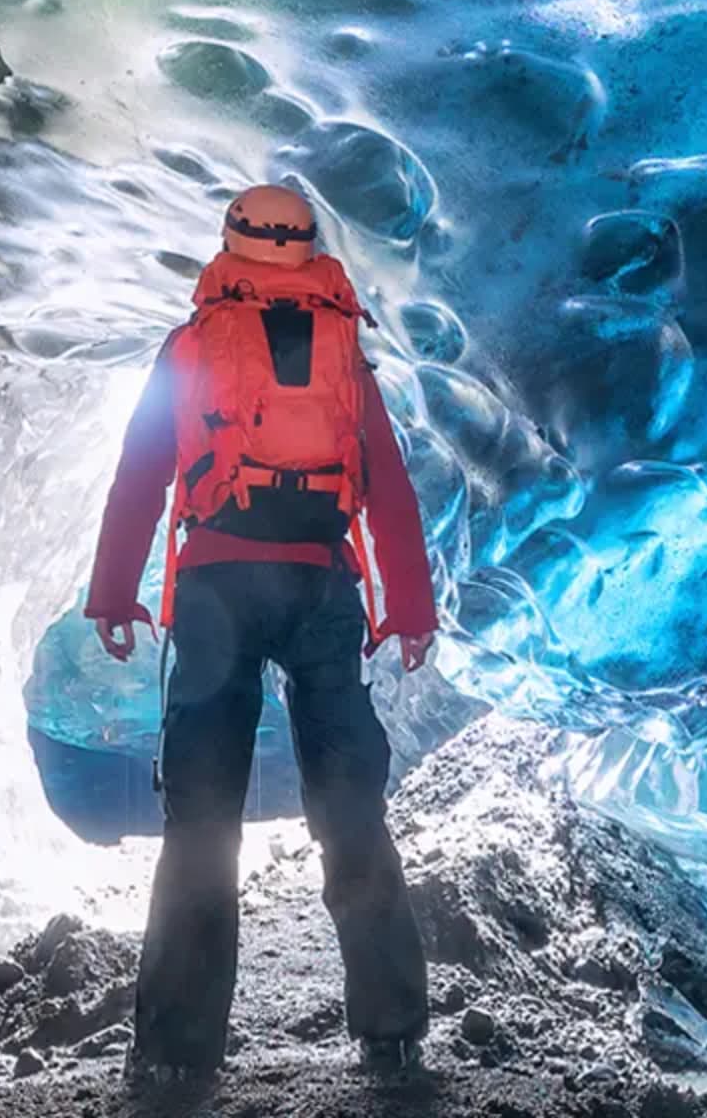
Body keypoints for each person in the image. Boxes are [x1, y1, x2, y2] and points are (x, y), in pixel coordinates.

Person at [83, 182, 440, 1087]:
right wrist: (410, 606)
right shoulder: (342, 352)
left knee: (202, 821)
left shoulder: (197, 344)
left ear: (232, 244)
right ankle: (392, 1031)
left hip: (218, 585)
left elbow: (141, 477)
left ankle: (175, 1051)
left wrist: (114, 593)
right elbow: (388, 487)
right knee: (350, 809)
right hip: (322, 582)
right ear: (308, 246)